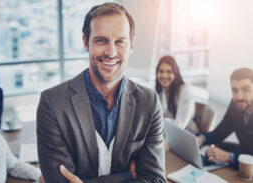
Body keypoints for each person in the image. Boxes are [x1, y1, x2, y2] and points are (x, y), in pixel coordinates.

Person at [37, 2, 165, 183]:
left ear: (131, 47)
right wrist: (126, 176)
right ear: (85, 42)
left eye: (120, 41)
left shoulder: (149, 102)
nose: (111, 52)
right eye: (101, 40)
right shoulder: (52, 103)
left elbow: (155, 179)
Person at [197, 68, 253, 169]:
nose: (239, 96)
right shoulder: (235, 104)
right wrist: (201, 139)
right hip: (243, 158)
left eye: (245, 90)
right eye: (234, 90)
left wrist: (228, 157)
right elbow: (220, 132)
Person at [155, 55, 199, 134]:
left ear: (175, 73)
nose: (164, 75)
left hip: (185, 134)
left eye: (169, 72)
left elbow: (180, 125)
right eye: (161, 71)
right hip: (165, 133)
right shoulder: (160, 91)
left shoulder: (185, 91)